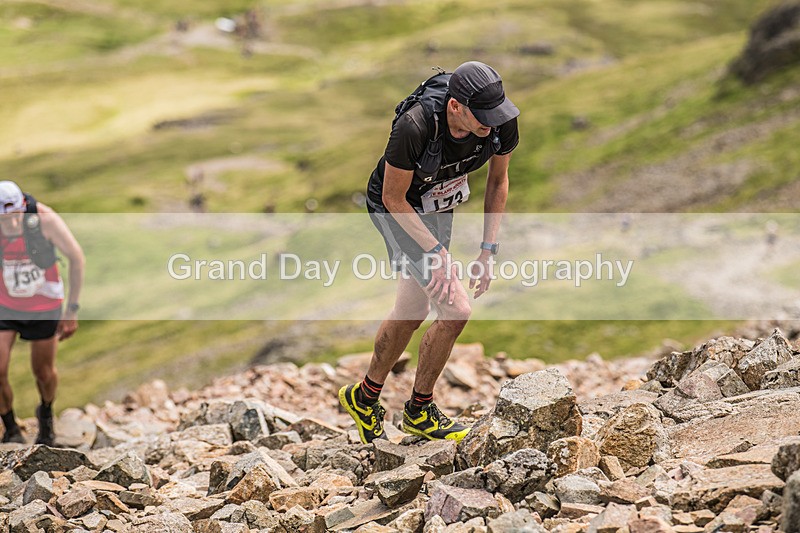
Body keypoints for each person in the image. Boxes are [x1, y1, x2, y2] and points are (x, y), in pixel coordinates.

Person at [339, 61, 519, 443]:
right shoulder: (415, 126)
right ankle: (419, 411)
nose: (493, 124)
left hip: (437, 202)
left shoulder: (500, 120)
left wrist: (487, 251)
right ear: (455, 107)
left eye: (496, 115)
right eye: (483, 117)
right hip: (397, 205)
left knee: (413, 308)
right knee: (456, 310)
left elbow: (498, 181)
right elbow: (393, 197)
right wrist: (438, 252)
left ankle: (363, 397)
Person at [0, 181, 85, 445]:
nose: (10, 224)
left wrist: (71, 310)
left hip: (43, 306)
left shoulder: (45, 220)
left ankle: (46, 415)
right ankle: (11, 428)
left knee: (44, 372)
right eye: (3, 219)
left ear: (22, 207)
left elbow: (76, 257)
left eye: (14, 216)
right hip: (4, 305)